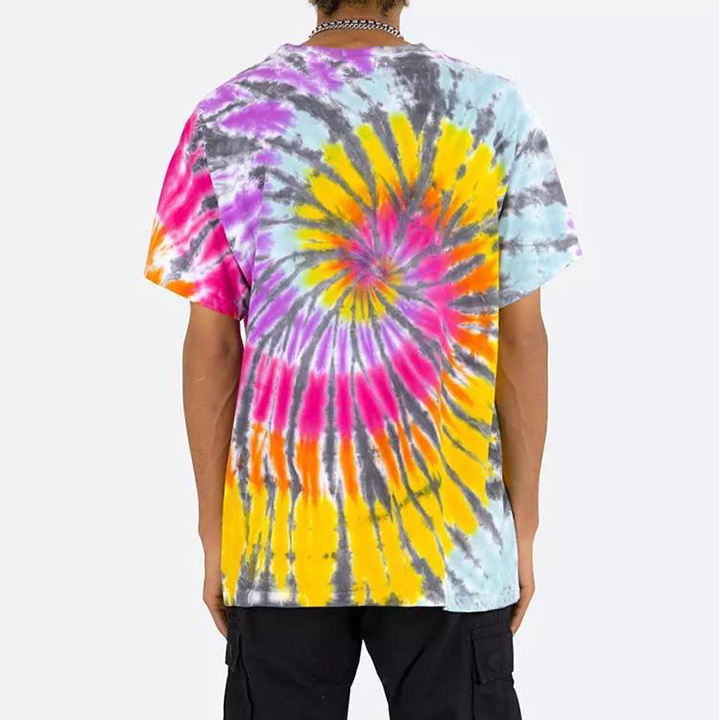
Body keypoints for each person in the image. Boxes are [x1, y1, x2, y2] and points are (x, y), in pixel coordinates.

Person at [144, 0, 581, 717]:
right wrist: (521, 525)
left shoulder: (228, 117)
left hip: (282, 545)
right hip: (452, 541)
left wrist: (215, 532)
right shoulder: (492, 110)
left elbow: (212, 345)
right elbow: (522, 342)